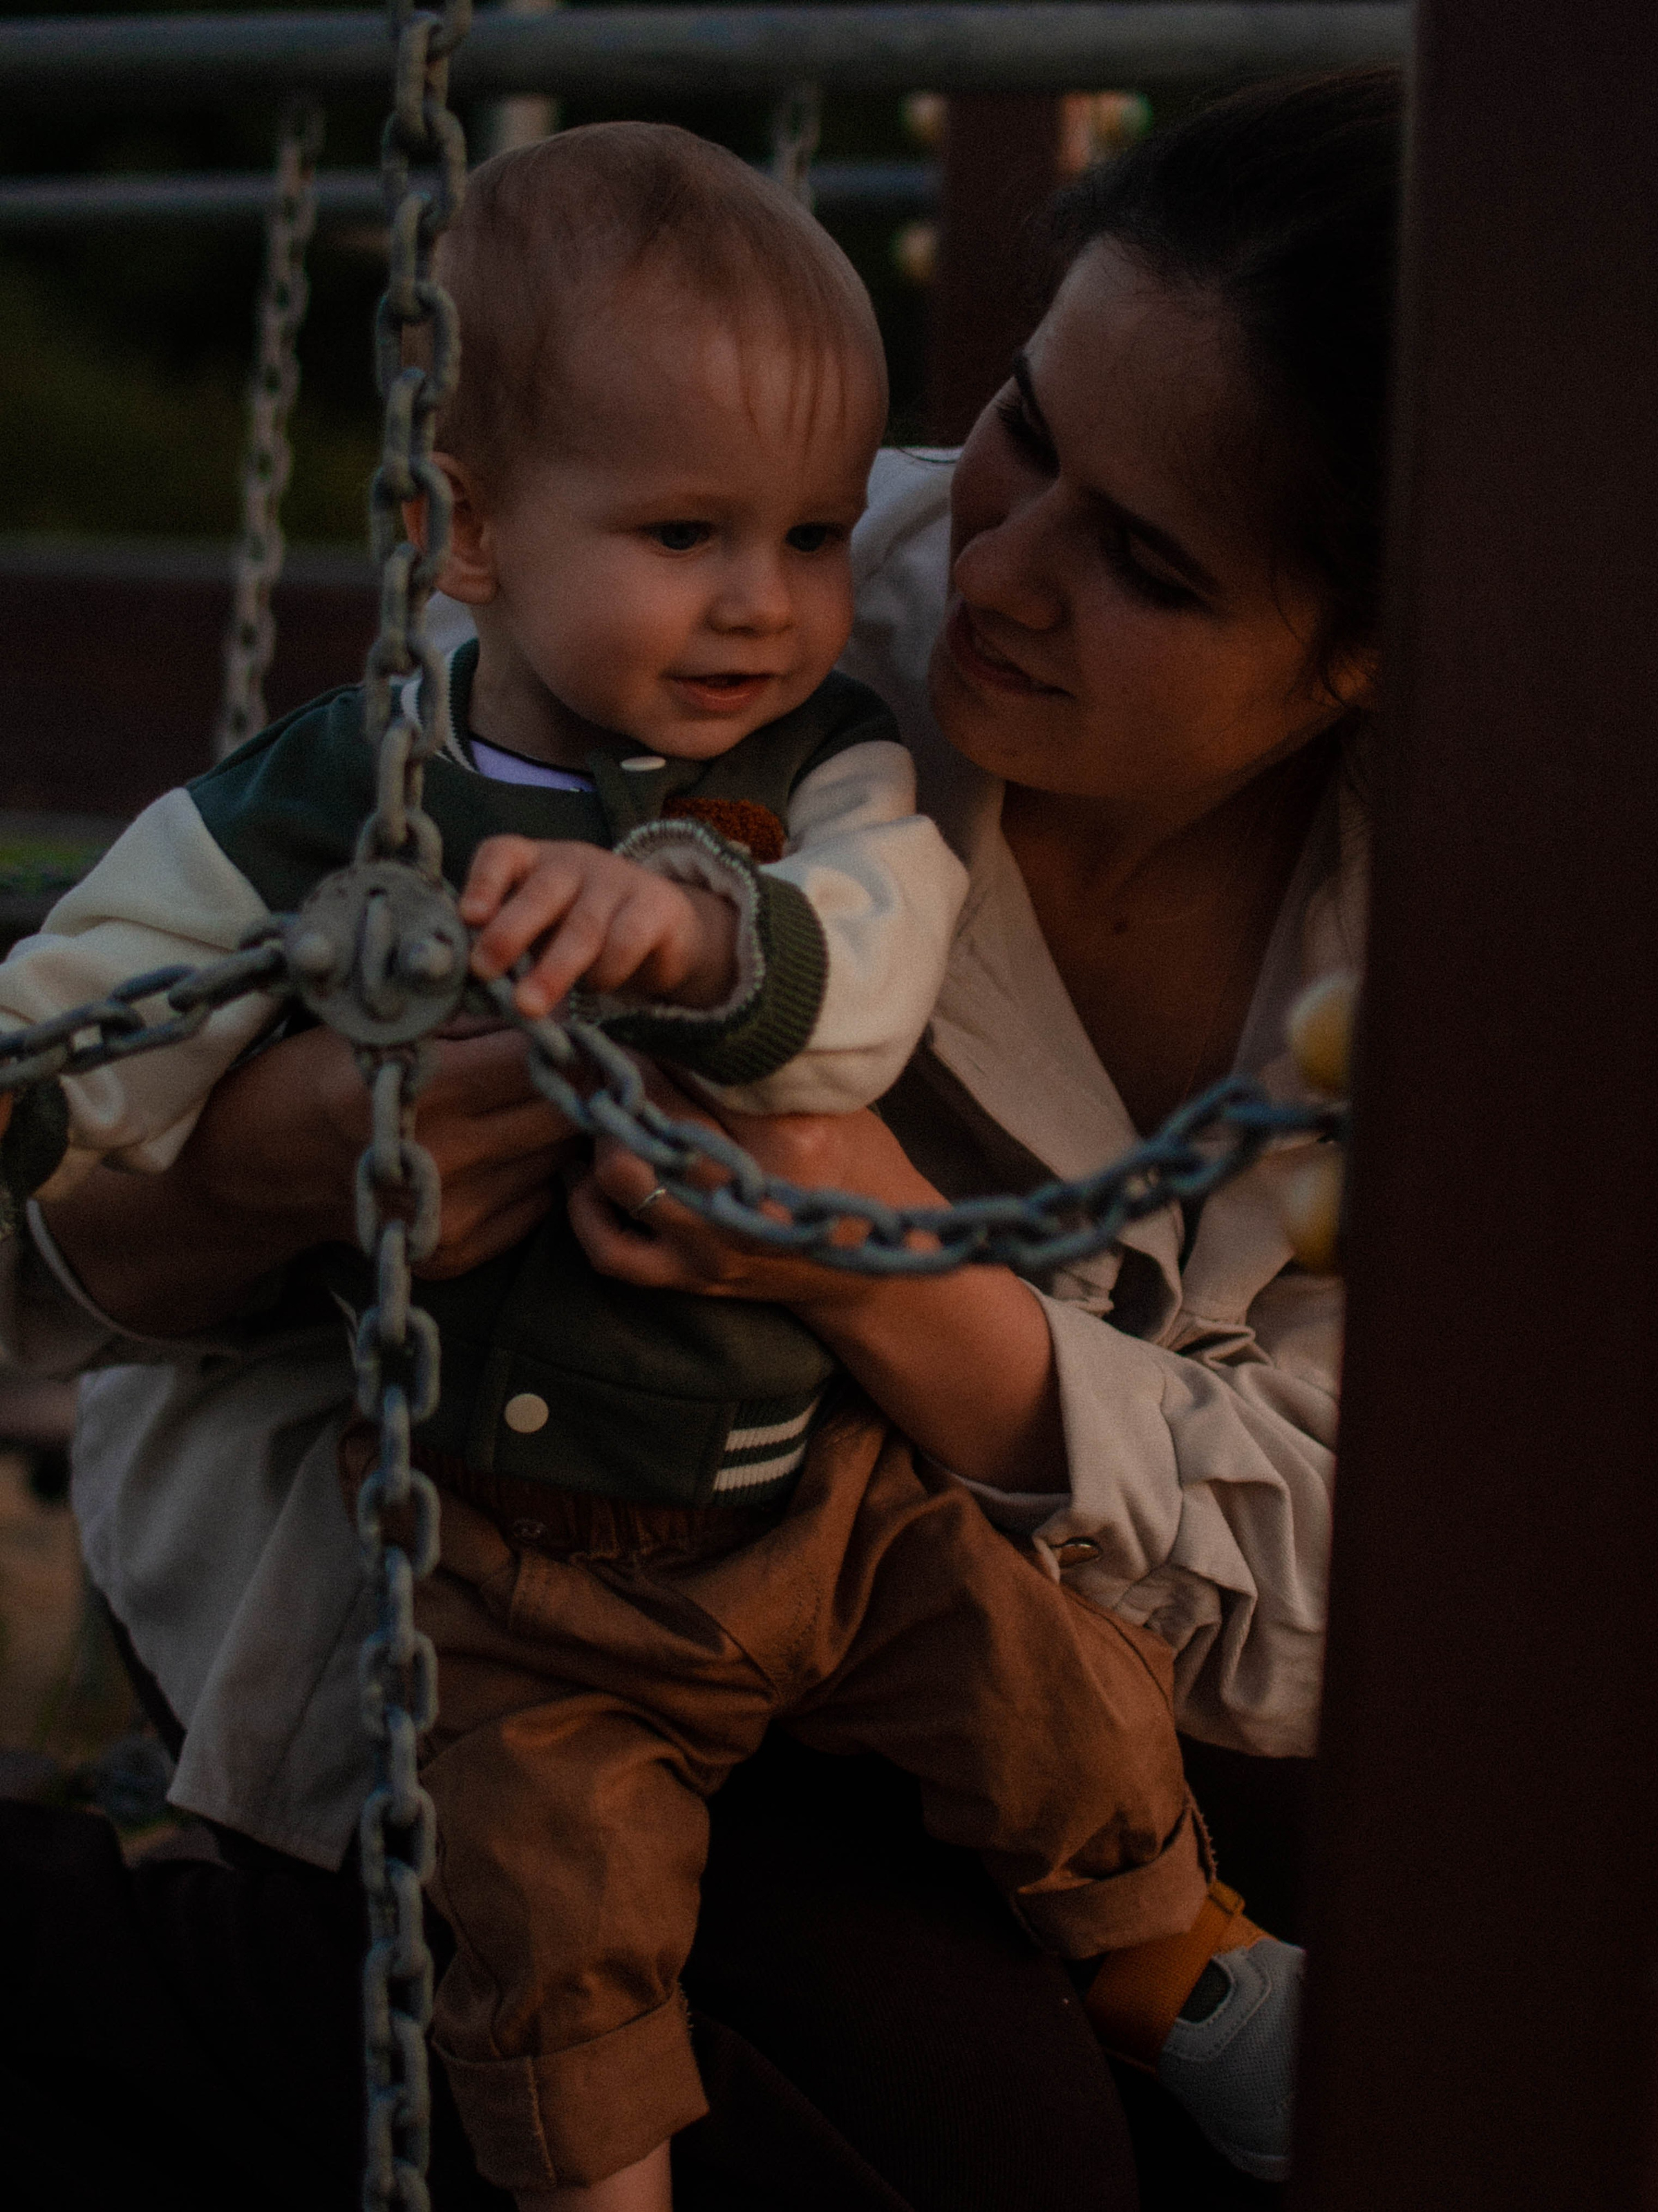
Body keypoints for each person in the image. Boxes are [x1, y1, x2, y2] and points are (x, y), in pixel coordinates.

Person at [0, 66, 1400, 2212]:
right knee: (949, 2139)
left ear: (1371, 655)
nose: (996, 562)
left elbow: (1358, 1577)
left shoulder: (1447, 929)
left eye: (1143, 560)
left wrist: (875, 1267)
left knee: (1377, 1981)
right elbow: (104, 1124)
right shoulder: (711, 574)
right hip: (486, 1553)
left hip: (877, 1573)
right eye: (1025, 427)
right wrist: (289, 1154)